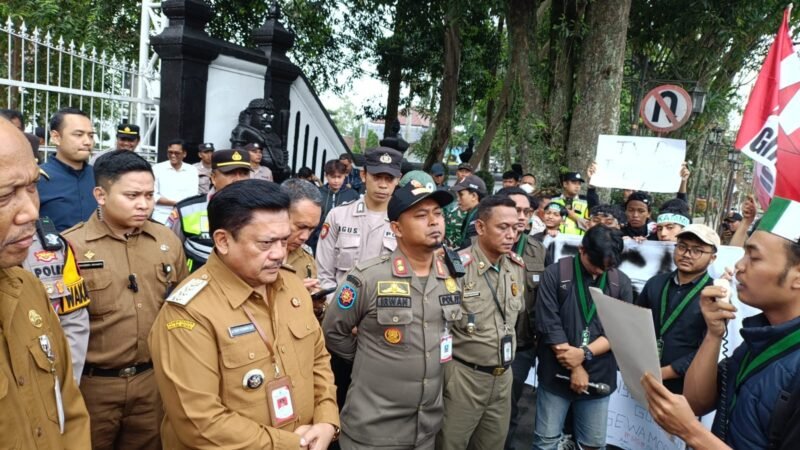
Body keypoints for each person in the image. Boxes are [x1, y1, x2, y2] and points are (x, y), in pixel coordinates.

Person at [149, 180, 340, 449]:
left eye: (284, 240)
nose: (279, 254)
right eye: (266, 243)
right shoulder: (189, 313)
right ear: (223, 241)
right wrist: (293, 444)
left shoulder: (293, 286)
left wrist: (326, 420)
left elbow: (318, 360)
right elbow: (199, 422)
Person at [641, 196, 800, 449]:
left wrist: (692, 433)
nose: (739, 266)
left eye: (753, 257)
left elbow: (693, 419)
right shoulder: (757, 339)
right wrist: (713, 334)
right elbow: (697, 401)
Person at [63, 150, 188, 450]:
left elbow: (183, 305)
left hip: (152, 383)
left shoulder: (166, 241)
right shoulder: (71, 247)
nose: (144, 204)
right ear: (101, 195)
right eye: (132, 195)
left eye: (149, 194)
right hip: (93, 387)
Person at [323, 179, 460, 449]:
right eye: (421, 215)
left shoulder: (450, 279)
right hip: (373, 431)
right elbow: (332, 332)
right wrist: (368, 355)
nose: (434, 222)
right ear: (396, 228)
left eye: (438, 214)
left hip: (425, 430)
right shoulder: (367, 278)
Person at [0, 117, 91, 448]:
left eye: (33, 187)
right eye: (4, 196)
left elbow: (70, 411)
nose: (32, 212)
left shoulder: (29, 289)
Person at [437, 196, 526, 450]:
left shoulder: (515, 267)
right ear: (480, 227)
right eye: (502, 227)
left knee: (492, 445)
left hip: (502, 377)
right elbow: (438, 326)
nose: (511, 235)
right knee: (450, 443)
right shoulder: (456, 268)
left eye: (515, 228)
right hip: (464, 376)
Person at [533, 225, 633, 450]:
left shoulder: (620, 283)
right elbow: (549, 324)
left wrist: (584, 353)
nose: (598, 272)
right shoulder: (556, 274)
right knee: (546, 440)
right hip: (556, 372)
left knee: (593, 444)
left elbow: (618, 331)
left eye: (605, 269)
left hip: (599, 375)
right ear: (581, 250)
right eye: (595, 265)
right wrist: (577, 367)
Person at [635, 224, 717, 394]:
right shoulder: (655, 283)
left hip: (683, 388)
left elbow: (708, 348)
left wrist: (666, 372)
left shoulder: (713, 296)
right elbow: (637, 326)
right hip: (642, 378)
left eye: (697, 250)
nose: (687, 254)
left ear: (712, 258)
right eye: (682, 247)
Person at [498, 188, 546, 449]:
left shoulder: (539, 251)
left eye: (526, 211)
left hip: (521, 348)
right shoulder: (477, 245)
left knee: (509, 407)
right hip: (481, 347)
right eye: (516, 210)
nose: (521, 216)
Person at [316, 147, 401, 292]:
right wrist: (335, 306)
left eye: (389, 179)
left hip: (384, 309)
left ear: (398, 179)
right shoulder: (338, 216)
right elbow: (324, 274)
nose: (382, 185)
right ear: (363, 175)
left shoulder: (403, 222)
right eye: (376, 177)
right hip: (341, 306)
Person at [22, 215, 91, 383]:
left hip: (45, 382)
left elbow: (73, 322)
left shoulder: (52, 246)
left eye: (31, 190)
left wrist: (65, 387)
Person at [167, 149, 252, 272]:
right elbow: (168, 251)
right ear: (213, 178)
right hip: (195, 282)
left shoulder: (261, 211)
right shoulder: (187, 209)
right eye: (230, 173)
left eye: (244, 173)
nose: (238, 179)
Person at [38, 107, 98, 232]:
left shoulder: (99, 176)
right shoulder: (37, 178)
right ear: (56, 137)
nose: (87, 142)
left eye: (91, 135)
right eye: (78, 135)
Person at [280, 178, 326, 319]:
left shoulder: (306, 259)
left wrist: (317, 307)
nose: (305, 236)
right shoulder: (254, 258)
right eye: (301, 227)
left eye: (312, 229)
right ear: (280, 214)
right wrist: (293, 294)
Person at [307, 159, 360, 252]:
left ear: (345, 175)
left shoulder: (353, 195)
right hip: (318, 240)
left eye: (339, 177)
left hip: (343, 241)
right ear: (326, 176)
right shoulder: (317, 193)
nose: (336, 180)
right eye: (332, 177)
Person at [152, 139, 199, 224]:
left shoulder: (192, 170)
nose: (173, 155)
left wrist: (180, 206)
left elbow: (193, 195)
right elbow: (153, 194)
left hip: (185, 215)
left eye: (177, 153)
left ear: (184, 154)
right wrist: (175, 203)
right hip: (161, 215)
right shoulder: (157, 168)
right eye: (170, 152)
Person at [452, 174, 488, 249]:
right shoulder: (473, 212)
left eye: (461, 195)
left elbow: (470, 246)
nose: (458, 199)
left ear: (474, 196)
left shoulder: (481, 216)